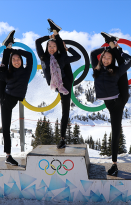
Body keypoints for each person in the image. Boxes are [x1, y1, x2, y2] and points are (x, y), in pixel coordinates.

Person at [91, 32, 131, 175]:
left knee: (115, 132)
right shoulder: (96, 69)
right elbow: (92, 53)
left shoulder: (116, 69)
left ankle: (114, 164)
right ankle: (113, 43)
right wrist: (107, 47)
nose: (106, 60)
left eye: (109, 58)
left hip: (119, 101)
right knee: (114, 131)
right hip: (110, 104)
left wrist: (116, 50)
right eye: (104, 57)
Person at [0, 30, 33, 166]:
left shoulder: (26, 71)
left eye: (18, 59)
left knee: (4, 68)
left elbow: (30, 55)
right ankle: (8, 155)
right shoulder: (8, 72)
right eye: (13, 60)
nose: (16, 61)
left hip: (9, 96)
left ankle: (7, 45)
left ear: (21, 60)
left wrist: (13, 50)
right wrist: (3, 67)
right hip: (5, 100)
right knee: (6, 127)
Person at [35, 19, 81, 149]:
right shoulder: (43, 57)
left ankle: (62, 139)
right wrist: (49, 37)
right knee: (64, 110)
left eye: (54, 46)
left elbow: (77, 57)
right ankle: (56, 32)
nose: (52, 48)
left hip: (65, 84)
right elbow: (38, 42)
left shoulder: (62, 57)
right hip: (56, 84)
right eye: (50, 46)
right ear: (47, 47)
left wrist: (67, 48)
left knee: (65, 111)